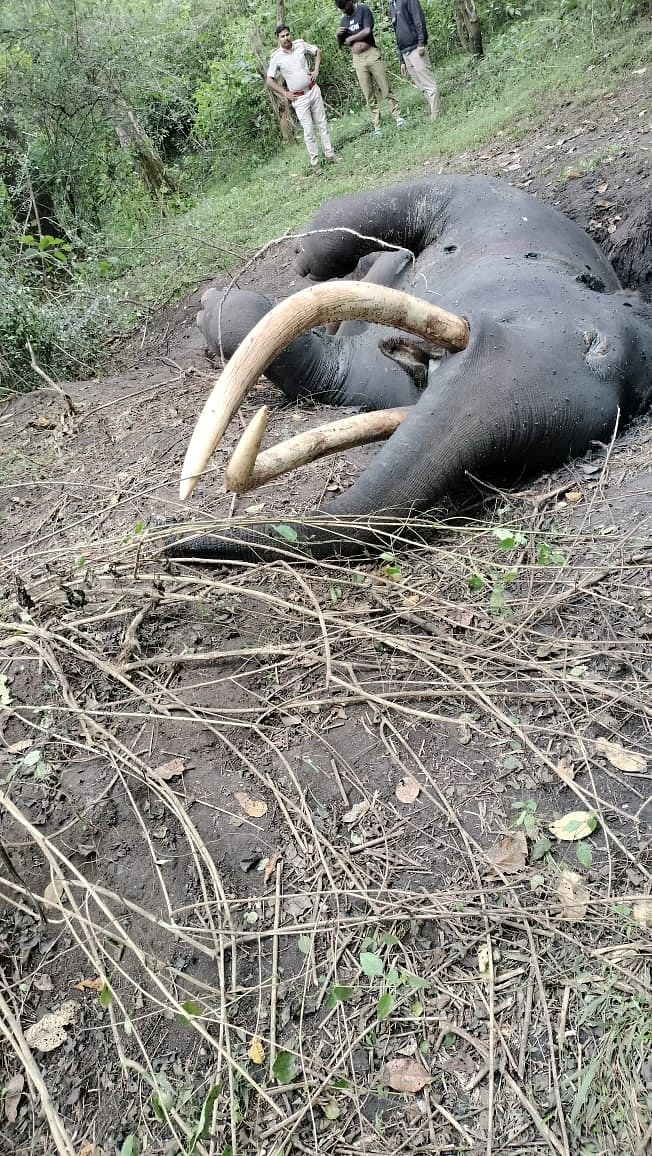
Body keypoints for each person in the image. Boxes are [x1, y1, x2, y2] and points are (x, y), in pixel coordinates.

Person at [266, 24, 339, 170]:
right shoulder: (276, 57)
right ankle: (315, 163)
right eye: (282, 36)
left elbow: (317, 51)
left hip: (312, 90)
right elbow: (269, 80)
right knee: (309, 130)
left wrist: (316, 69)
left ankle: (330, 155)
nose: (286, 38)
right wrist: (285, 93)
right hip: (299, 98)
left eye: (287, 35)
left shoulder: (300, 45)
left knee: (322, 124)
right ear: (278, 38)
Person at [335, 1, 404, 135]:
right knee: (368, 93)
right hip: (358, 59)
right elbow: (342, 44)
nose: (344, 10)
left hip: (371, 53)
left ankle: (397, 116)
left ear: (351, 1)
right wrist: (338, 36)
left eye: (345, 7)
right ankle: (377, 125)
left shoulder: (363, 10)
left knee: (385, 87)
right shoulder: (344, 20)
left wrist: (352, 38)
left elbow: (367, 30)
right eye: (341, 8)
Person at [390, 0, 439, 119]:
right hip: (405, 52)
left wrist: (421, 42)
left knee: (428, 83)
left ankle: (436, 113)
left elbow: (419, 19)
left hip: (416, 47)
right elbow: (397, 33)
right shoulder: (391, 5)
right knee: (421, 85)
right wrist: (401, 60)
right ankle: (433, 109)